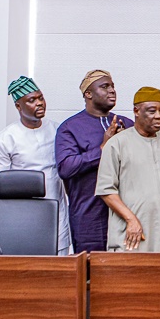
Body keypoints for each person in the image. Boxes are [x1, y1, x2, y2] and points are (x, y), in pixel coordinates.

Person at [96, 87, 160, 252]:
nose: (159, 116)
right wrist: (130, 219)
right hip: (129, 235)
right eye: (152, 111)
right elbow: (106, 190)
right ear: (136, 111)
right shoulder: (117, 143)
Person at [0, 76, 72, 255]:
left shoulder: (58, 131)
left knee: (60, 266)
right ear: (18, 106)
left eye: (41, 98)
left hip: (57, 214)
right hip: (22, 217)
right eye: (32, 100)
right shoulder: (6, 138)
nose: (39, 103)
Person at [55, 69, 133, 253]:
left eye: (112, 86)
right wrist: (103, 149)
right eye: (105, 86)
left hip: (128, 213)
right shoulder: (70, 127)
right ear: (88, 94)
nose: (112, 90)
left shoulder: (128, 124)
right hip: (90, 216)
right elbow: (66, 168)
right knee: (91, 267)